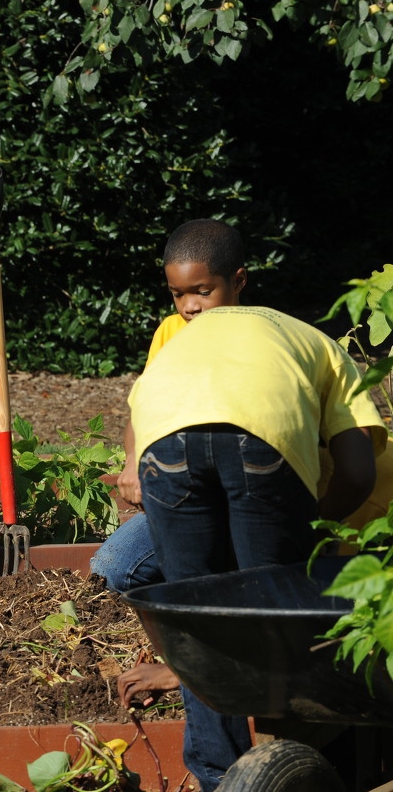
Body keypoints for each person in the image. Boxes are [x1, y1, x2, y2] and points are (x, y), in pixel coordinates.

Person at [127, 304, 386, 792]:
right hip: (261, 433)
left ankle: (219, 779)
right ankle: (301, 763)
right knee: (276, 611)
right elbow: (357, 472)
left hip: (159, 430)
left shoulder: (182, 335)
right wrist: (318, 522)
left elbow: (142, 405)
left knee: (196, 616)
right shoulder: (323, 347)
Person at [92, 219, 247, 592]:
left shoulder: (259, 336)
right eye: (178, 294)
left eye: (203, 291)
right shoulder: (170, 332)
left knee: (251, 578)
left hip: (245, 493)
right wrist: (133, 463)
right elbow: (144, 406)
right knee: (110, 569)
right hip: (185, 491)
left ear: (238, 281)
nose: (189, 306)